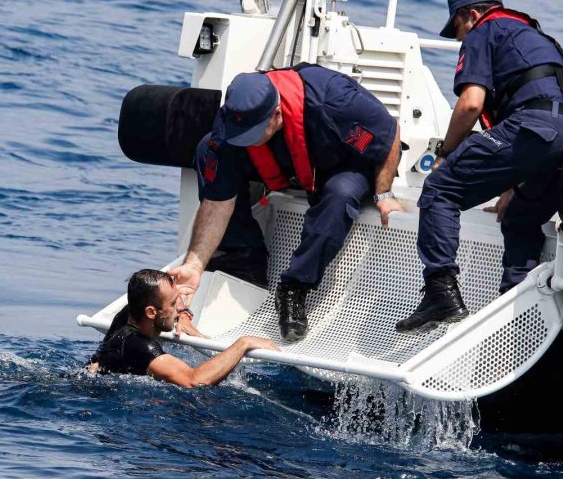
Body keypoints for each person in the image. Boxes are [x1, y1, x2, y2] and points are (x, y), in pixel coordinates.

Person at [397, 0, 563, 333]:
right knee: (520, 218)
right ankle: (518, 320)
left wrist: (445, 153)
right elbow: (554, 113)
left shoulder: (484, 30)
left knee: (441, 189)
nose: (459, 39)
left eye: (457, 29)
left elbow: (471, 104)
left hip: (539, 128)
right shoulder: (540, 39)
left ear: (471, 14)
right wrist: (513, 183)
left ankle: (440, 294)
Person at [169, 66, 405, 343]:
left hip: (341, 162)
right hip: (288, 162)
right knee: (209, 148)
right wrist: (194, 265)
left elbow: (389, 135)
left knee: (340, 195)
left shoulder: (336, 102)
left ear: (277, 114)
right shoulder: (234, 117)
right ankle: (243, 257)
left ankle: (294, 287)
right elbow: (217, 202)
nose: (245, 140)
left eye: (252, 134)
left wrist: (384, 194)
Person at [88, 269, 278, 387]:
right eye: (173, 303)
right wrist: (243, 343)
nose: (180, 306)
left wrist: (183, 316)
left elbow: (162, 308)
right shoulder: (140, 346)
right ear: (151, 312)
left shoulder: (130, 313)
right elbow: (193, 381)